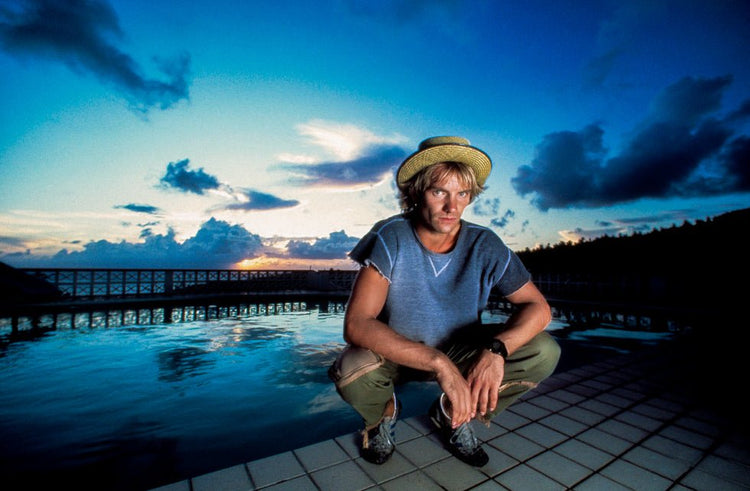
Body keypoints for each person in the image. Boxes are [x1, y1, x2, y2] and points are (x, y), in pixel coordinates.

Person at [329, 136, 561, 467]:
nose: (452, 207)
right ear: (415, 193)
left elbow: (539, 308)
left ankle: (453, 414)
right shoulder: (391, 235)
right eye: (439, 192)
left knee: (544, 350)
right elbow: (357, 324)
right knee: (352, 369)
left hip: (461, 349)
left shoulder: (485, 243)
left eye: (462, 194)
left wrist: (497, 350)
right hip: (397, 352)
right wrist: (439, 363)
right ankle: (383, 415)